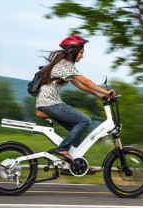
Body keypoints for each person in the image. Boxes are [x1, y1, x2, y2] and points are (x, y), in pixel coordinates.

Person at [36, 35, 115, 164]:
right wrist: (106, 91)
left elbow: (80, 85)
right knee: (85, 121)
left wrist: (99, 95)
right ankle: (62, 148)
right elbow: (85, 81)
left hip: (50, 103)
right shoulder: (64, 65)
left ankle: (76, 165)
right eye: (81, 52)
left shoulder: (66, 66)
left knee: (77, 139)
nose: (82, 56)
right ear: (73, 52)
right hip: (51, 103)